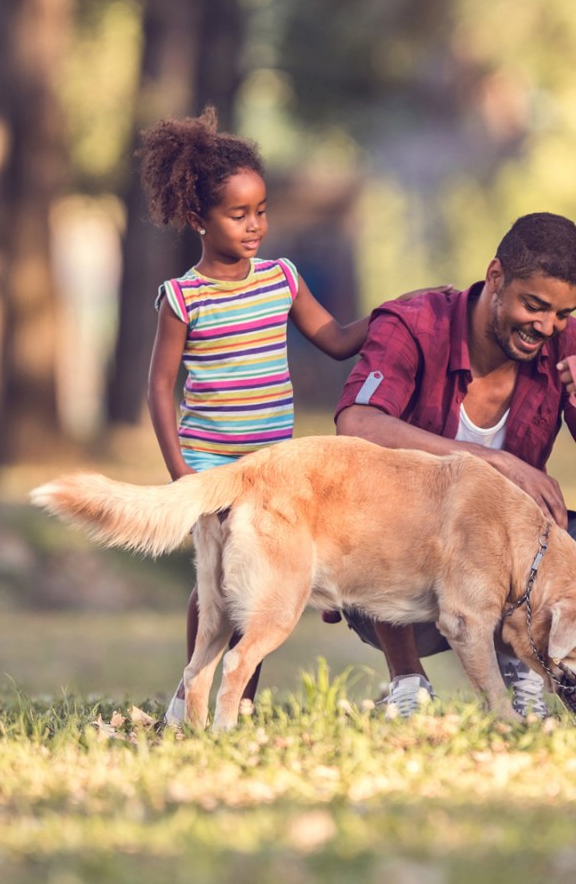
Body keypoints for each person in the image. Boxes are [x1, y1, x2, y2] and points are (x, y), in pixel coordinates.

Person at [140, 107, 447, 724]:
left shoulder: (281, 279)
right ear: (199, 219)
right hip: (211, 462)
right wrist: (182, 476)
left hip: (275, 465)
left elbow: (334, 338)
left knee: (263, 584)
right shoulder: (183, 297)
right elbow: (161, 387)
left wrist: (395, 315)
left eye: (261, 212)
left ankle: (237, 703)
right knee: (215, 585)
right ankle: (194, 697)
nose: (254, 226)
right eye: (238, 214)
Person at [334, 212, 576, 717]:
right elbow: (356, 425)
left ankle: (529, 658)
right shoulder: (415, 323)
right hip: (399, 569)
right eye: (534, 306)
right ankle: (407, 680)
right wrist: (495, 462)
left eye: (562, 313)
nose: (546, 327)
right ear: (496, 278)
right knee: (407, 526)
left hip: (518, 562)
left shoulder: (572, 344)